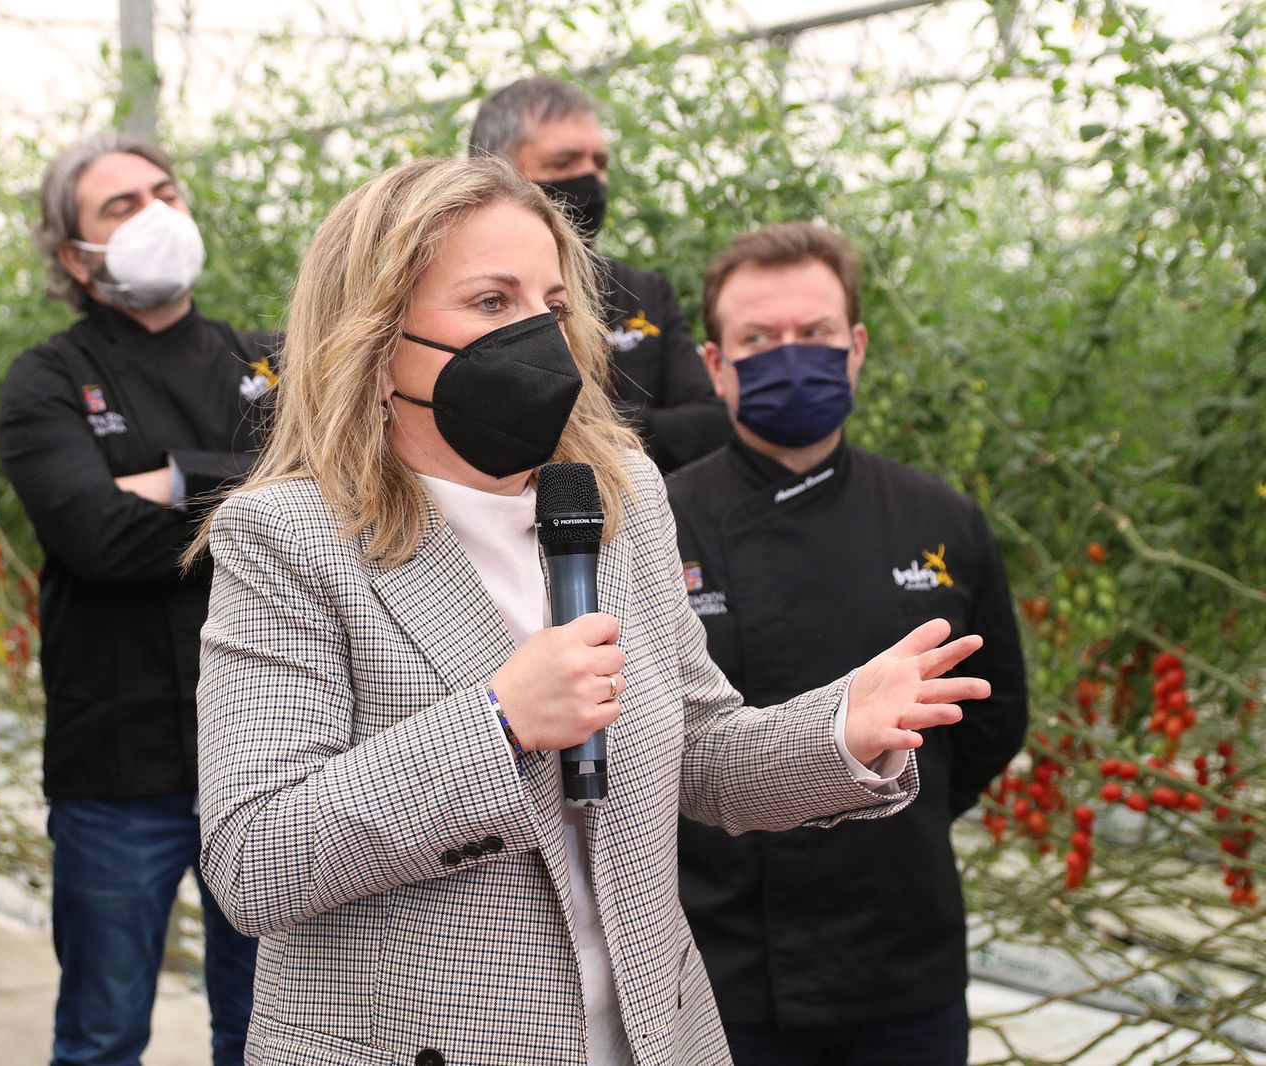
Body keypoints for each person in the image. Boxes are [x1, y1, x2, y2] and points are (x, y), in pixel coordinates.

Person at [189, 156, 994, 1065]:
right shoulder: (290, 537)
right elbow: (256, 860)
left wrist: (839, 728)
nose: (537, 333)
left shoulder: (620, 496)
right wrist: (498, 724)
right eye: (492, 301)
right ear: (374, 338)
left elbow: (697, 751)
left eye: (553, 305)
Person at [668, 222, 1029, 1065]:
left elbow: (993, 720)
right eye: (759, 339)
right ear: (716, 365)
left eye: (815, 333)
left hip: (903, 964)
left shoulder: (941, 519)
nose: (790, 355)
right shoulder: (655, 524)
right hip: (720, 968)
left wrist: (900, 812)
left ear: (856, 348)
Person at [0, 131, 267, 1066]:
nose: (156, 214)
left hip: (267, 751)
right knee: (103, 1032)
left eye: (164, 192)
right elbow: (98, 539)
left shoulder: (270, 360)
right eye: (121, 206)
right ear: (75, 256)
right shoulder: (45, 379)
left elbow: (327, 503)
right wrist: (249, 491)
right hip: (117, 762)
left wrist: (167, 479)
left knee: (265, 1026)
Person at [468, 76, 727, 473]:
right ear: (495, 173)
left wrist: (577, 424)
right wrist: (646, 423)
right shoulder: (468, 296)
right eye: (564, 162)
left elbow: (710, 424)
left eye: (600, 163)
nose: (590, 177)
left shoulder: (642, 292)